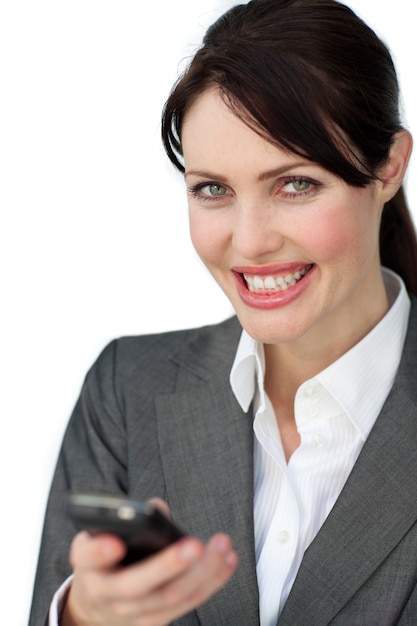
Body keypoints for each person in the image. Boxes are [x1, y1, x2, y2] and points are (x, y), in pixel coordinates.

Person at [29, 0, 417, 624]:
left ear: (389, 167)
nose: (250, 241)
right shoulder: (128, 390)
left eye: (296, 184)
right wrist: (80, 616)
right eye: (214, 190)